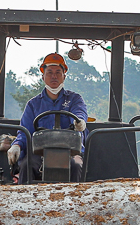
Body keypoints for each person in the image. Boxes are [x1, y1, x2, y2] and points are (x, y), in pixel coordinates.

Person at [7, 52, 89, 182]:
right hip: (40, 152)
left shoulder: (74, 99)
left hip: (69, 151)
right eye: (49, 72)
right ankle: (24, 198)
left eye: (58, 72)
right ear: (43, 76)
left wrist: (79, 122)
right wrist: (17, 145)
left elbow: (80, 113)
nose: (54, 76)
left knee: (76, 164)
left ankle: (76, 200)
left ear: (64, 76)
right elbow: (25, 131)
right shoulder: (33, 104)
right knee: (27, 165)